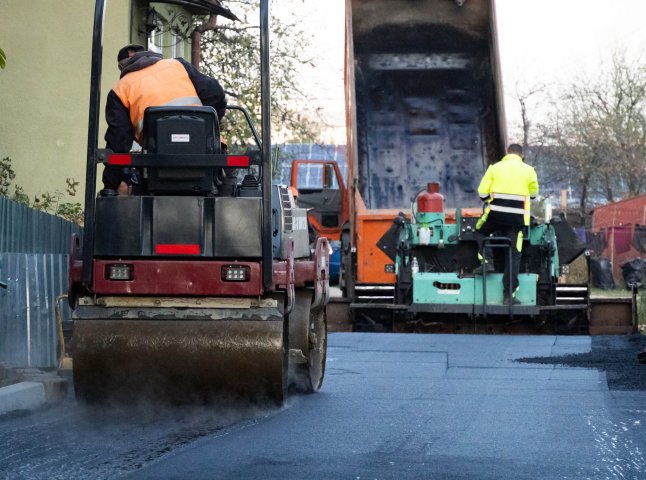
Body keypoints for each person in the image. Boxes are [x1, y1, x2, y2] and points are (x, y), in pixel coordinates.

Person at [103, 44, 228, 195]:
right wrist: (208, 129)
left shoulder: (120, 89)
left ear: (122, 67)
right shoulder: (178, 65)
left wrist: (111, 184)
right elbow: (216, 95)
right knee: (228, 181)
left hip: (157, 162)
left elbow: (118, 141)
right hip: (207, 154)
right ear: (150, 54)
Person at [473, 143, 539, 305]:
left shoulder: (495, 168)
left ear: (506, 153)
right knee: (514, 254)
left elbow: (482, 192)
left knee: (479, 232)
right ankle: (509, 296)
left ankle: (487, 262)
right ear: (521, 155)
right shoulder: (529, 170)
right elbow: (534, 194)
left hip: (495, 216)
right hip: (516, 220)